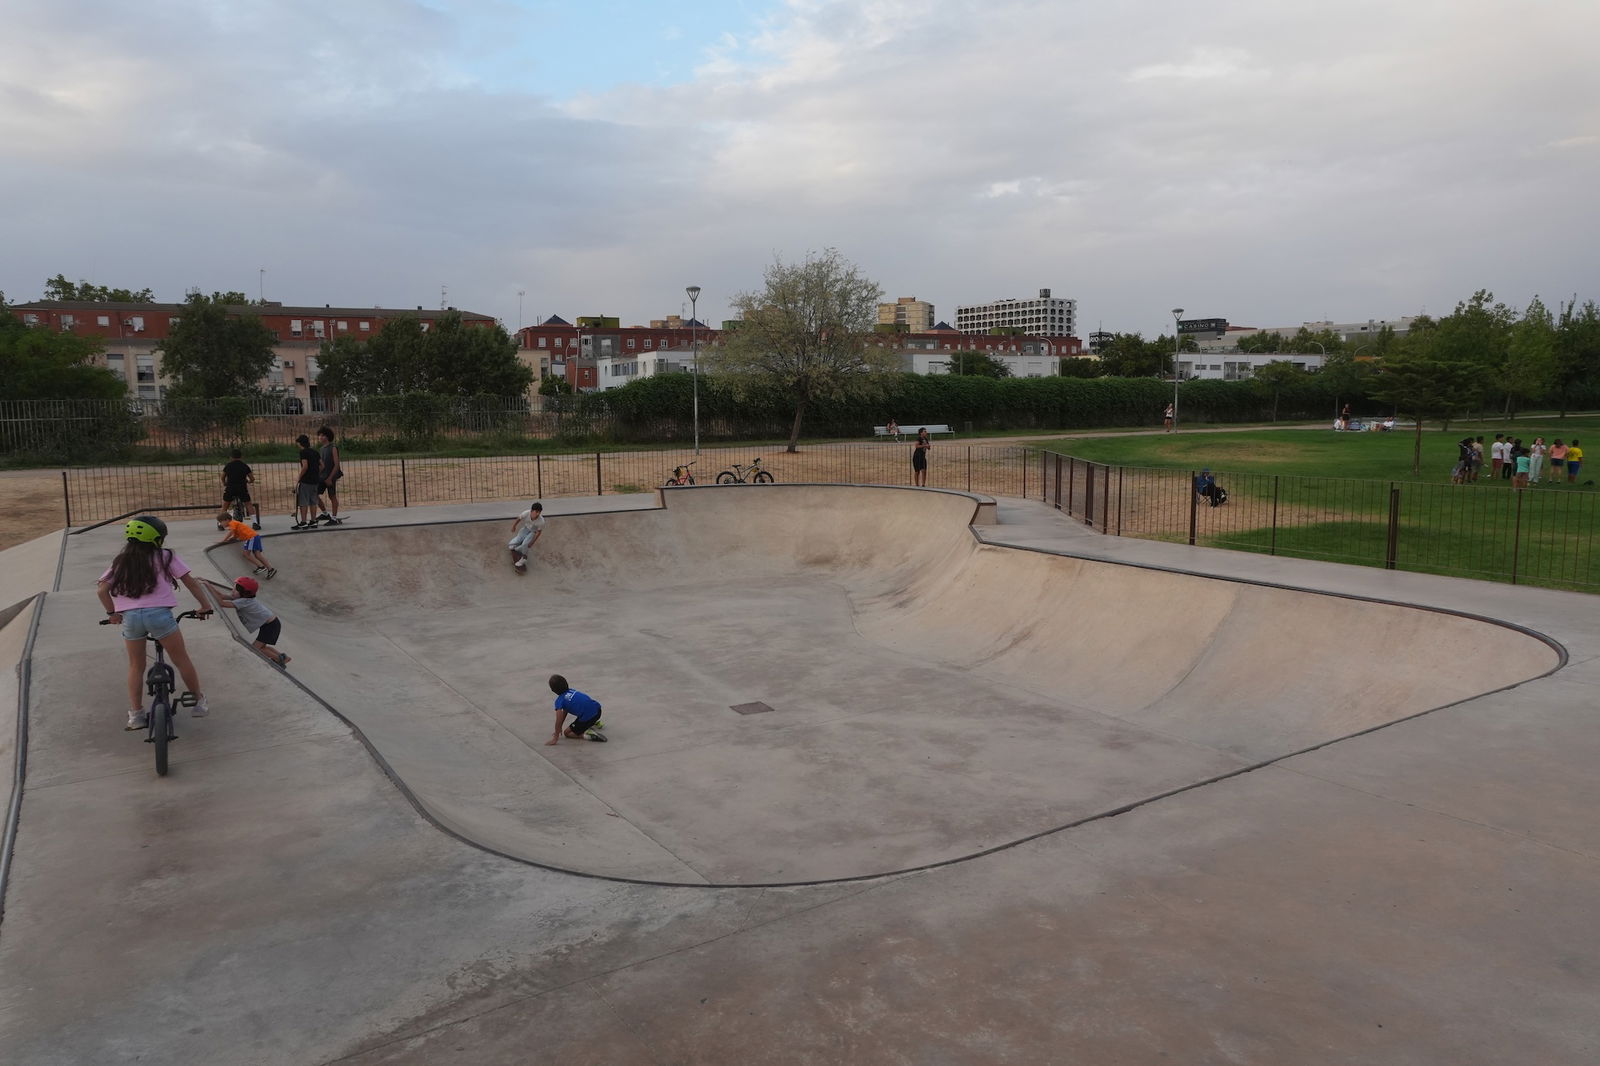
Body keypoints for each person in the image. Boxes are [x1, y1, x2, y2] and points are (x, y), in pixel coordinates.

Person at [96, 515, 212, 730]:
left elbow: (102, 590)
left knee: (136, 665)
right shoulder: (166, 556)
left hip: (131, 618)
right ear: (157, 539)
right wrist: (205, 606)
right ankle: (198, 702)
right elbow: (190, 582)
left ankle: (136, 716)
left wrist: (113, 614)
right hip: (159, 616)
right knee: (181, 659)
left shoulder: (121, 561)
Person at [215, 575, 290, 667]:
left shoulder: (244, 601)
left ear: (245, 593)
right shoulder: (243, 597)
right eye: (233, 588)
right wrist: (207, 585)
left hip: (270, 626)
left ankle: (279, 660)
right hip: (271, 623)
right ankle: (284, 657)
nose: (233, 591)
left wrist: (206, 585)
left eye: (236, 590)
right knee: (262, 646)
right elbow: (221, 596)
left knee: (255, 649)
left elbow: (222, 603)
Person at [545, 674, 607, 744]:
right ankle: (593, 722)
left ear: (553, 690)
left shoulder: (559, 701)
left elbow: (558, 719)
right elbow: (565, 710)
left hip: (589, 717)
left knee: (567, 733)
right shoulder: (571, 691)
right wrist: (559, 727)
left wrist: (555, 737)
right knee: (584, 709)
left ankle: (588, 734)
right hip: (598, 711)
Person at [212, 512, 276, 578]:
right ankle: (270, 569)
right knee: (257, 555)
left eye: (221, 522)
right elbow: (235, 535)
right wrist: (230, 539)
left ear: (226, 520)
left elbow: (231, 532)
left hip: (251, 538)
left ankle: (261, 566)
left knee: (246, 554)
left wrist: (223, 540)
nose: (220, 524)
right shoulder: (235, 525)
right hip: (255, 536)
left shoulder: (232, 523)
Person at [220, 448, 261, 529]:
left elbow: (222, 477)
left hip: (230, 487)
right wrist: (249, 481)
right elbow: (252, 478)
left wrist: (224, 483)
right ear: (241, 457)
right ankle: (255, 522)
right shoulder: (244, 466)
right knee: (248, 504)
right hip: (242, 488)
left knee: (225, 505)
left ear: (231, 457)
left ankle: (220, 523)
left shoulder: (228, 465)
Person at [314, 425, 344, 524]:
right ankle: (325, 514)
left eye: (322, 435)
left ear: (327, 436)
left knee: (332, 496)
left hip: (330, 477)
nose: (320, 437)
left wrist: (330, 478)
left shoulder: (333, 447)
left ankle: (334, 518)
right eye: (319, 435)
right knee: (314, 494)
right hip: (322, 477)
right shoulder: (322, 449)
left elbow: (336, 465)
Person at [292, 434, 322, 530]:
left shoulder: (303, 452)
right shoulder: (315, 452)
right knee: (313, 501)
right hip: (315, 480)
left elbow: (305, 466)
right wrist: (316, 473)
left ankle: (303, 522)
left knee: (303, 501)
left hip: (306, 480)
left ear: (300, 443)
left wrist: (299, 477)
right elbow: (322, 465)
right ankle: (313, 521)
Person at [507, 501, 545, 570]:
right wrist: (514, 526)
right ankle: (519, 547)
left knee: (525, 544)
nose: (538, 514)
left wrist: (532, 543)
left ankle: (524, 558)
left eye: (539, 512)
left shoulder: (541, 521)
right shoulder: (526, 513)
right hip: (525, 529)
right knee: (511, 545)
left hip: (533, 532)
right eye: (536, 512)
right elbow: (519, 518)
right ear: (532, 511)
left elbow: (538, 532)